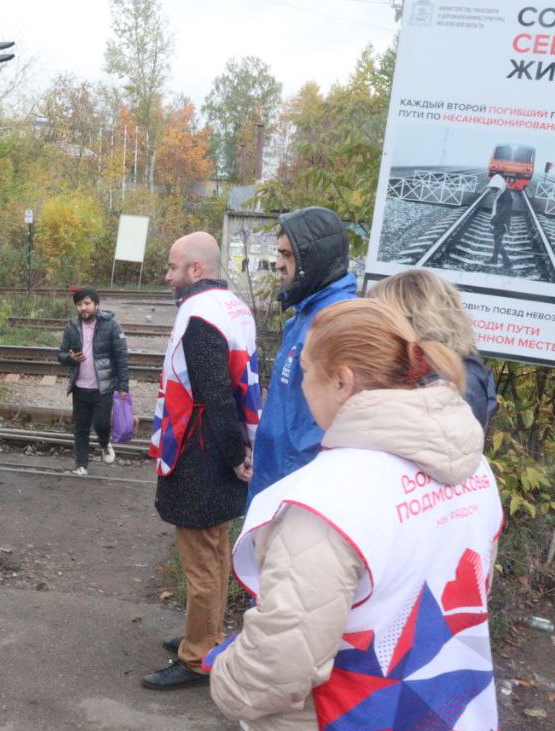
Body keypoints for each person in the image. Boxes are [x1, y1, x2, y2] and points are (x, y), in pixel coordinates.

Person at [206, 299, 502, 731]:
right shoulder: (476, 472)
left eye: (306, 374)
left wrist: (227, 680)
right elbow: (471, 591)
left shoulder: (323, 502)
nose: (300, 389)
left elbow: (283, 663)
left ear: (341, 381)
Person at [142, 232, 261, 691]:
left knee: (201, 561)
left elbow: (213, 396)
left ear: (195, 269)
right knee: (213, 553)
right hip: (220, 451)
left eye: (173, 268)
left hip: (203, 457)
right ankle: (204, 636)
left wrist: (233, 456)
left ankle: (197, 659)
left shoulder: (199, 317)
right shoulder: (231, 306)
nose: (167, 277)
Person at [249, 206, 356, 500]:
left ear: (314, 258)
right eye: (279, 253)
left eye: (288, 255)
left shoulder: (336, 321)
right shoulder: (305, 316)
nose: (278, 264)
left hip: (298, 488)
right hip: (277, 478)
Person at [368, 269, 498, 428]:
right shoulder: (437, 374)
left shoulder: (450, 389)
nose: (371, 328)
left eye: (379, 318)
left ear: (415, 321)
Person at [56, 287, 129, 476]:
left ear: (96, 304)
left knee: (101, 423)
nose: (83, 308)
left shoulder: (111, 325)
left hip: (103, 387)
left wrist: (123, 386)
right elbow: (61, 355)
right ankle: (81, 466)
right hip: (79, 387)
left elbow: (121, 357)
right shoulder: (71, 326)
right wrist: (70, 357)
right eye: (79, 304)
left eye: (87, 303)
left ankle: (104, 443)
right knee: (81, 429)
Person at [488, 184, 514, 271]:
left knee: (498, 242)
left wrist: (493, 220)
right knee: (497, 241)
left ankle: (507, 263)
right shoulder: (503, 193)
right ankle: (494, 259)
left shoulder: (506, 196)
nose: (493, 192)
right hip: (499, 222)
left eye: (493, 190)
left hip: (501, 223)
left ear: (497, 188)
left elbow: (503, 211)